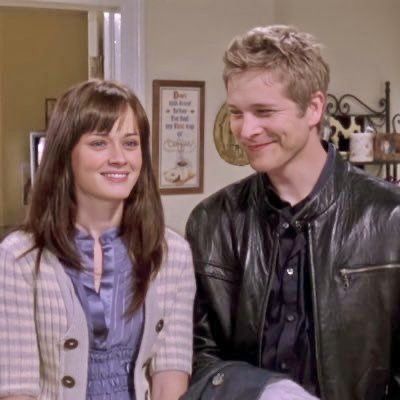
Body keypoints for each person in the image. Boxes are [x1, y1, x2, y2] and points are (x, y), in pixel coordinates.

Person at [183, 25, 400, 400]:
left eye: (264, 111)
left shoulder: (390, 219)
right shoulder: (210, 223)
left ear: (314, 107)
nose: (246, 130)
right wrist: (263, 390)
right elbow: (192, 357)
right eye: (236, 113)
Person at [0, 79, 195, 400]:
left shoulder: (173, 252)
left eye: (130, 143)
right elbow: (16, 388)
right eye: (99, 143)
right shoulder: (19, 258)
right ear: (66, 154)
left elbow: (170, 370)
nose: (120, 158)